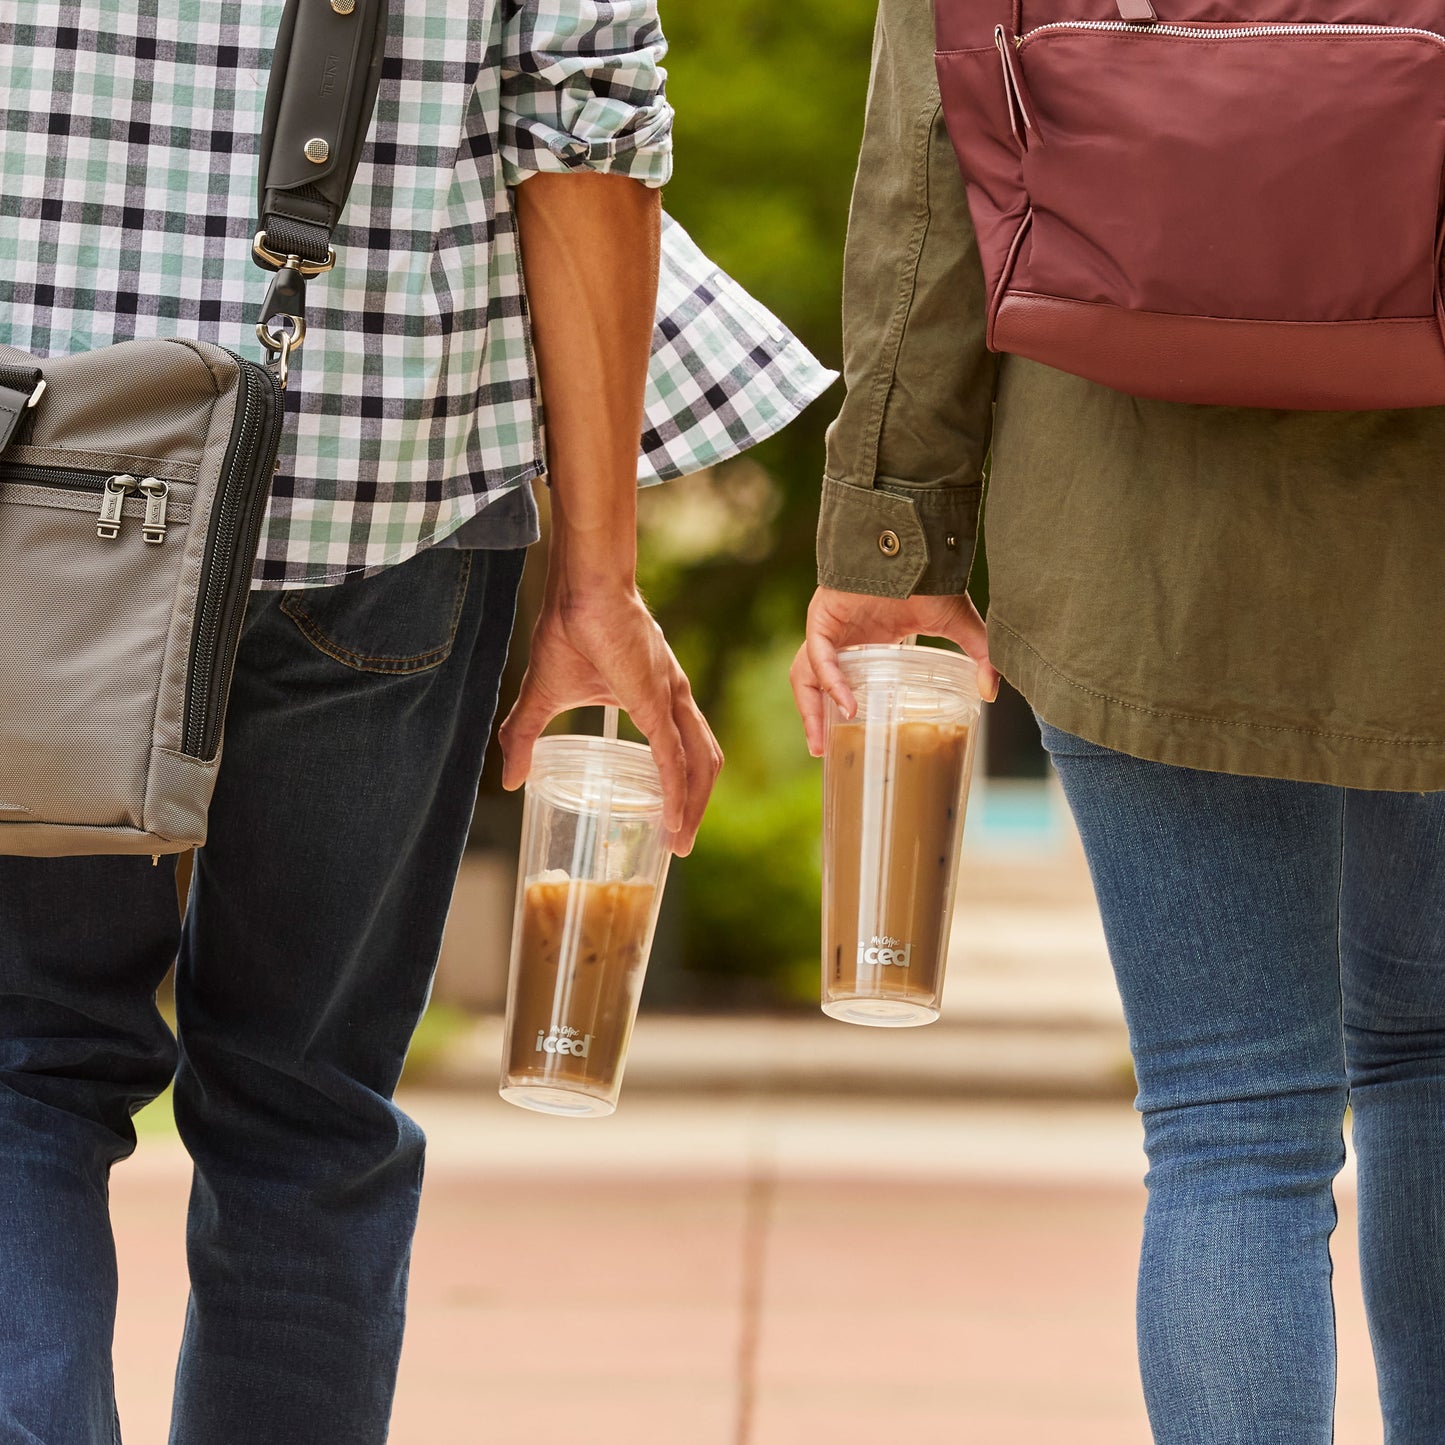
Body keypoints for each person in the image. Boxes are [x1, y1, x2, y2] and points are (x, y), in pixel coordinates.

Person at [0, 3, 828, 1441]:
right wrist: (599, 576)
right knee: (306, 1110)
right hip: (377, 488)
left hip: (37, 493)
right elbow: (585, 106)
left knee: (18, 1073)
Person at [791, 0, 1445, 1440]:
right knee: (1434, 1058)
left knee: (1231, 1122)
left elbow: (927, 155)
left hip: (1134, 520)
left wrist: (886, 538)